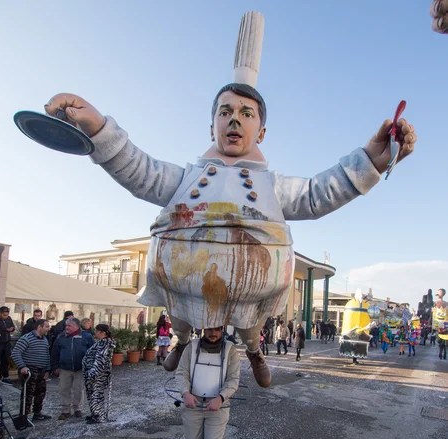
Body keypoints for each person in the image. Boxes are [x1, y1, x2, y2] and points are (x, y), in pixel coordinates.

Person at [45, 27, 416, 391]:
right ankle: (179, 340)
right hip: (183, 279)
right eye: (226, 111)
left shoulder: (272, 186)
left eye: (247, 113)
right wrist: (97, 128)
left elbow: (319, 193)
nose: (235, 119)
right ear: (212, 128)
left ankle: (254, 351)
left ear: (262, 132)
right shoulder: (185, 178)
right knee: (178, 309)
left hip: (252, 286)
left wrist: (371, 160)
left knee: (251, 324)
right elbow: (138, 169)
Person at [51, 317, 94, 420]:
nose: (66, 327)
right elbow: (55, 352)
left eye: (69, 325)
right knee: (64, 389)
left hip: (80, 368)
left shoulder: (87, 336)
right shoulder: (61, 337)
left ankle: (77, 409)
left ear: (76, 326)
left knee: (79, 389)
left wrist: (90, 366)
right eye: (66, 325)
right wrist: (55, 366)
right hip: (65, 368)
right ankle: (65, 410)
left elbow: (92, 351)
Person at [11, 319, 52, 420]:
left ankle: (37, 413)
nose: (48, 329)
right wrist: (22, 366)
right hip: (29, 370)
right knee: (27, 394)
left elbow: (46, 355)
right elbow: (16, 352)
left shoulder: (44, 339)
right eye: (46, 327)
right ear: (39, 327)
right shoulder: (26, 338)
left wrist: (47, 369)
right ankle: (23, 416)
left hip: (41, 370)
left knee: (41, 392)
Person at [82, 324, 116, 423]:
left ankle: (99, 416)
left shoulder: (104, 342)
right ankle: (95, 414)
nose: (95, 333)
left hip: (98, 374)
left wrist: (93, 373)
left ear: (102, 332)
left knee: (97, 394)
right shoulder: (102, 342)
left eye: (96, 331)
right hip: (96, 373)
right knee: (93, 394)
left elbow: (100, 359)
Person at [0, 306, 16, 385]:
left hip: (7, 342)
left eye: (7, 315)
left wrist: (11, 329)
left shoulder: (9, 318)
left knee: (5, 360)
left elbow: (13, 327)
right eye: (4, 315)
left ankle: (5, 377)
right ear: (0, 314)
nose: (6, 317)